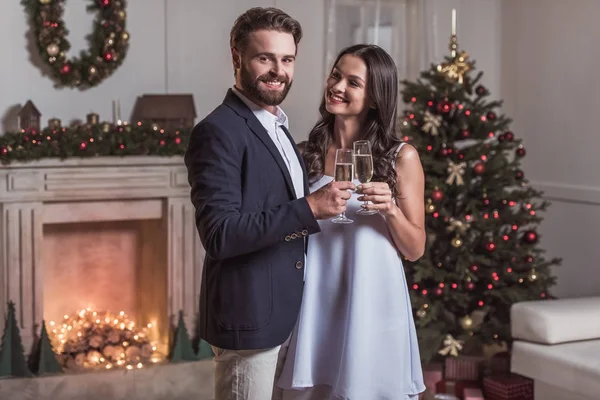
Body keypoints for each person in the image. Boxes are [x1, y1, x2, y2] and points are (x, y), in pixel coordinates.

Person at [184, 7, 356, 400]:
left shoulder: (278, 125)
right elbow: (220, 234)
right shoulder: (217, 132)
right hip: (248, 321)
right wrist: (311, 208)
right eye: (265, 58)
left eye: (287, 59)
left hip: (289, 315)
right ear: (237, 57)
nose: (278, 70)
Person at [277, 44, 427, 399]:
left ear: (375, 98)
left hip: (371, 300)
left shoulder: (401, 157)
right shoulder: (303, 153)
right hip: (316, 297)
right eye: (335, 75)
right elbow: (286, 227)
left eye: (353, 82)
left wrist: (390, 209)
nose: (337, 86)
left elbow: (416, 249)